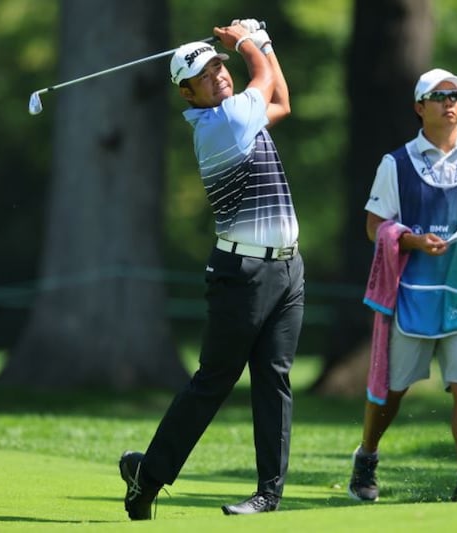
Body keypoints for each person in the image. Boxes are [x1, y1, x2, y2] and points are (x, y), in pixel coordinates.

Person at [119, 19, 304, 520]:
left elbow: (282, 101)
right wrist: (248, 41)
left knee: (275, 380)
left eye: (219, 65)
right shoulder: (222, 124)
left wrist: (259, 45)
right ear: (187, 92)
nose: (220, 73)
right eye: (207, 72)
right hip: (242, 276)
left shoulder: (237, 114)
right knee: (214, 381)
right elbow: (262, 80)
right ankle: (148, 475)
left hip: (288, 271)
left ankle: (268, 494)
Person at [349, 68, 457, 503]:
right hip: (411, 298)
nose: (450, 102)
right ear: (419, 107)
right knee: (392, 391)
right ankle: (367, 453)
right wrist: (412, 241)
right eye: (440, 95)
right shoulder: (396, 163)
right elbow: (374, 227)